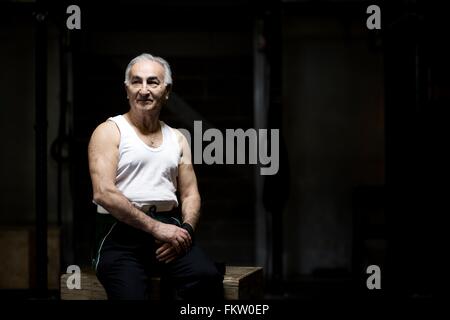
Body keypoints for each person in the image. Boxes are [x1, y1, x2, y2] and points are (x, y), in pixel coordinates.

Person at [88, 53, 223, 300]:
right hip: (119, 236)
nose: (144, 90)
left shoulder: (177, 138)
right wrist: (156, 228)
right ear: (127, 89)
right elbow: (103, 192)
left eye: (152, 82)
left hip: (168, 233)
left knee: (207, 276)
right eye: (136, 82)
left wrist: (186, 231)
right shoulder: (109, 131)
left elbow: (190, 193)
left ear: (167, 90)